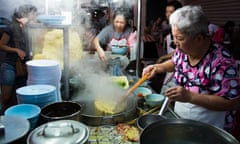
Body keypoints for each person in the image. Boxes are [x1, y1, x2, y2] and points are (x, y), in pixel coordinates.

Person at [142, 5, 240, 132]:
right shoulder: (184, 49)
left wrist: (190, 96)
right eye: (174, 37)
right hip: (182, 119)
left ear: (199, 38)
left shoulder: (222, 62)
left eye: (180, 38)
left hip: (209, 127)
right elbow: (176, 62)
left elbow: (232, 103)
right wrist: (158, 67)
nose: (175, 43)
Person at [0, 4, 37, 113]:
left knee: (20, 97)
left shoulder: (31, 28)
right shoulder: (12, 27)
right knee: (6, 97)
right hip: (10, 66)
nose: (34, 16)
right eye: (33, 14)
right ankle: (2, 119)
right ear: (24, 14)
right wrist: (16, 50)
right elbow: (1, 45)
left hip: (24, 67)